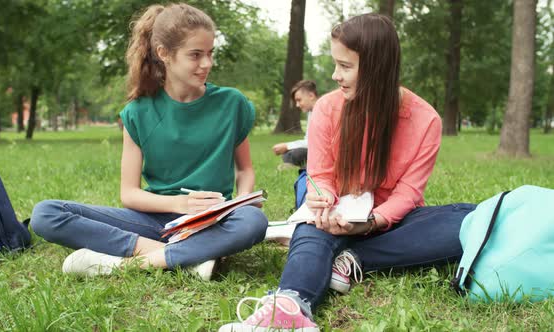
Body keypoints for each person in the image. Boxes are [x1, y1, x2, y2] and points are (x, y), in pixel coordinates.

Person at [219, 13, 476, 331]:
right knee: (316, 225)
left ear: (377, 68)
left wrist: (369, 222)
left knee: (470, 220)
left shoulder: (426, 121)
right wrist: (324, 198)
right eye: (335, 64)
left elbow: (408, 193)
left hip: (385, 219)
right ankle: (289, 306)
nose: (335, 75)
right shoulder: (328, 108)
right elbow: (320, 174)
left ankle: (354, 258)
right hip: (334, 206)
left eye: (345, 66)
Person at [30, 3, 268, 281]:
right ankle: (181, 255)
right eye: (195, 55)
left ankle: (134, 263)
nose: (207, 64)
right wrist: (180, 205)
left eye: (210, 53)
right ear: (164, 53)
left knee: (253, 222)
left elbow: (245, 170)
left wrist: (241, 200)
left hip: (214, 221)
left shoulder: (232, 104)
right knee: (46, 214)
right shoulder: (138, 113)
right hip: (155, 222)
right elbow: (129, 194)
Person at [272, 80, 318, 171]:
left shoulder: (323, 111)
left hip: (327, 153)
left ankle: (300, 167)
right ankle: (299, 166)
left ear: (311, 96)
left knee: (296, 154)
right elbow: (308, 139)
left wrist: (287, 145)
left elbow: (314, 143)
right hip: (316, 150)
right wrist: (287, 147)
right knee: (288, 154)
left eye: (299, 100)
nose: (297, 105)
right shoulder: (311, 113)